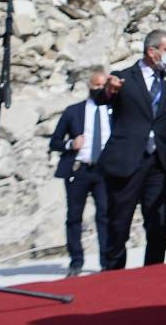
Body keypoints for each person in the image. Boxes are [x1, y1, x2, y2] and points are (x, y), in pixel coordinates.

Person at [100, 29, 166, 270]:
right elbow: (103, 96)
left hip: (158, 162)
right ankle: (112, 274)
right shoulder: (123, 77)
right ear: (152, 52)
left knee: (158, 222)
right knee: (119, 223)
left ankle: (154, 273)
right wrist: (108, 90)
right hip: (127, 161)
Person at [48, 66, 112, 276]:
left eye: (103, 85)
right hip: (79, 169)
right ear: (89, 86)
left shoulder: (114, 110)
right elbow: (55, 141)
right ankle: (76, 261)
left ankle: (106, 261)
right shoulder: (73, 112)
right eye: (96, 85)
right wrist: (70, 144)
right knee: (74, 216)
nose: (100, 89)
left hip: (104, 171)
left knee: (105, 215)